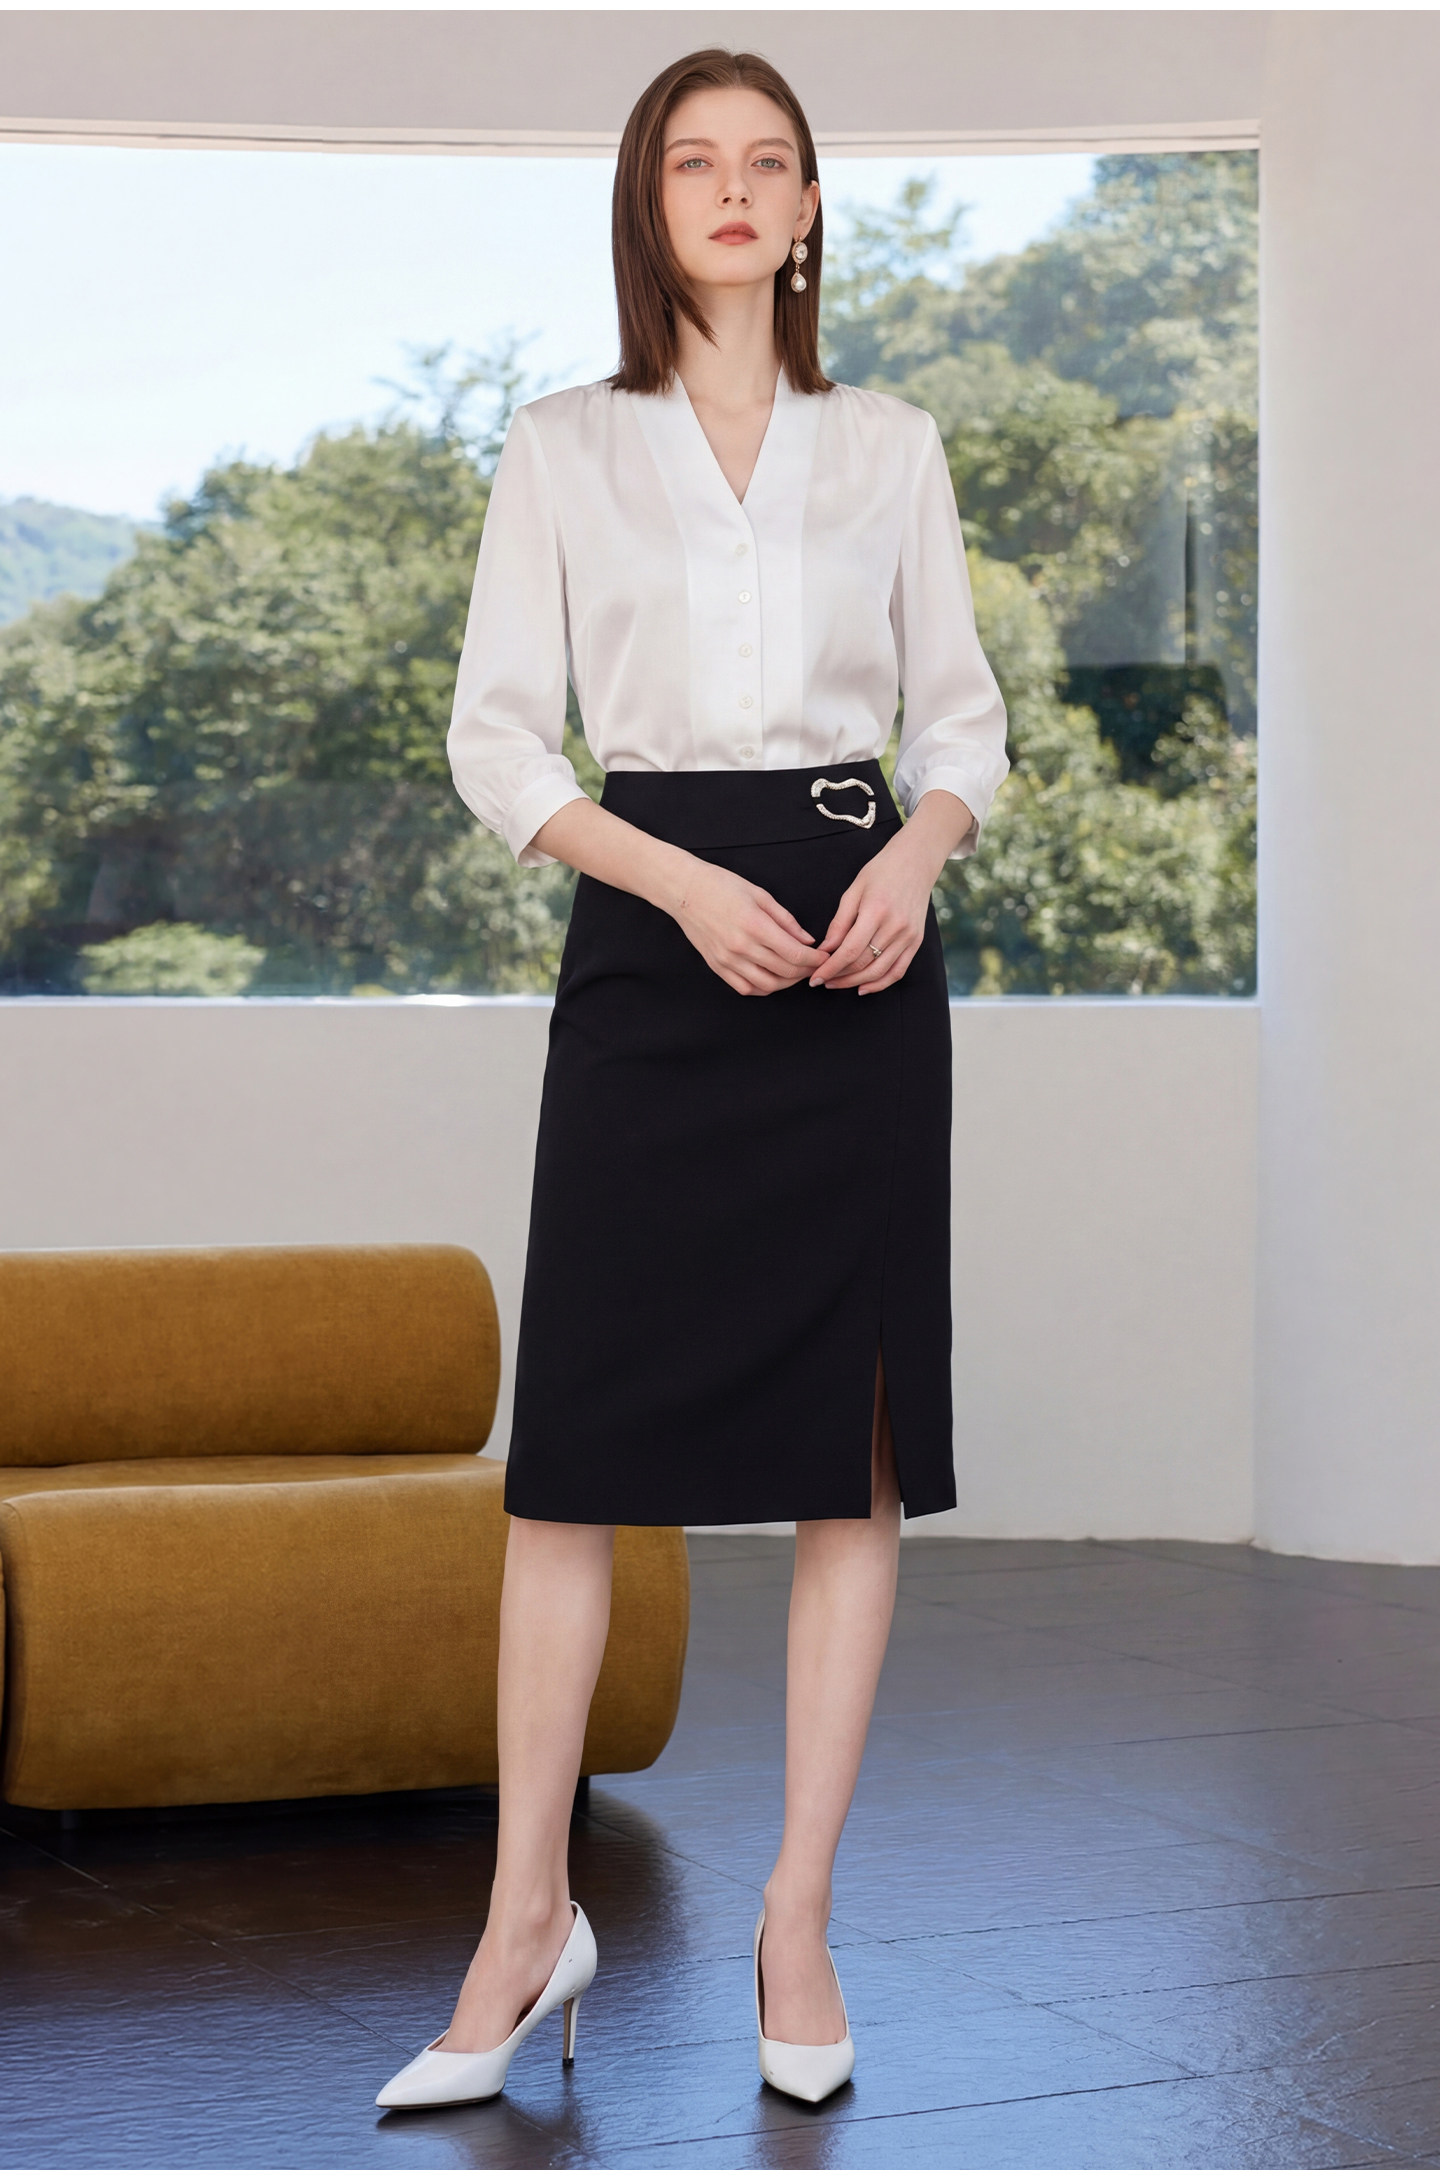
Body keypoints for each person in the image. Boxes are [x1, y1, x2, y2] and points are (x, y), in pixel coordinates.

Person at [376, 46, 1007, 2113]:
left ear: (810, 209)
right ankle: (520, 1918)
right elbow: (499, 741)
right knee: (573, 1458)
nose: (734, 190)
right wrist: (672, 879)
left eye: (769, 162)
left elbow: (960, 724)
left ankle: (796, 1915)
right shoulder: (560, 445)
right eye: (693, 163)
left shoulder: (891, 443)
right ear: (649, 206)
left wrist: (913, 857)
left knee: (855, 1456)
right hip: (655, 937)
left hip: (859, 948)